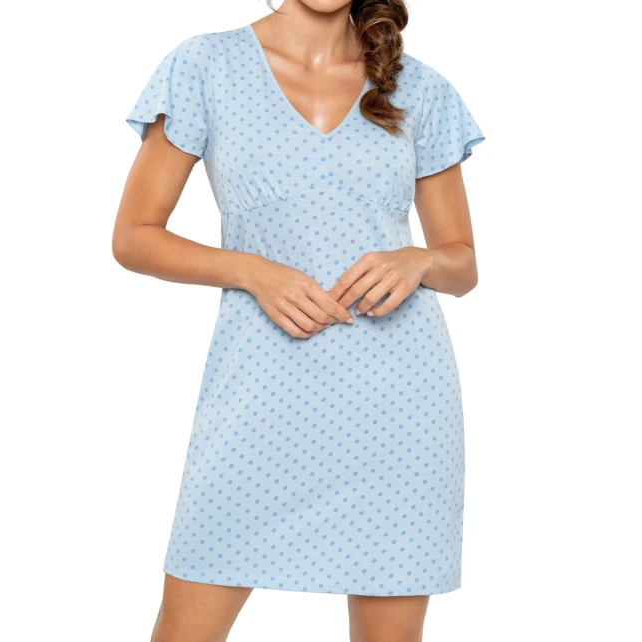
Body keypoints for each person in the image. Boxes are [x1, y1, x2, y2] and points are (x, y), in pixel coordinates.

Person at [113, 1, 485, 640]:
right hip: (259, 392)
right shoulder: (205, 66)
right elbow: (134, 236)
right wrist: (251, 271)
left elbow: (463, 264)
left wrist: (420, 259)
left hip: (398, 406)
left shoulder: (420, 87)